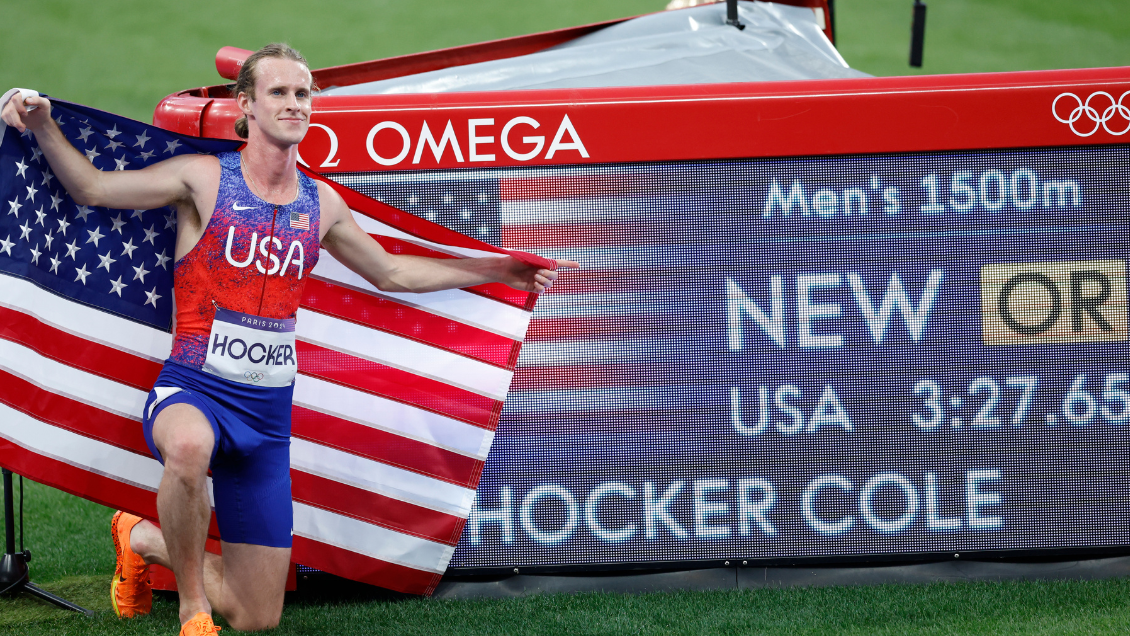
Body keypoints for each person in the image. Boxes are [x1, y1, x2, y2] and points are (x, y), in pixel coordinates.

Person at [2, 43, 577, 635]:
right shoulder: (203, 179)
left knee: (258, 618)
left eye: (302, 93)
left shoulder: (319, 202)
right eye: (278, 92)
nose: (294, 104)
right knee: (190, 450)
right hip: (194, 389)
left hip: (266, 420)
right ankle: (194, 609)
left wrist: (495, 270)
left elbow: (392, 273)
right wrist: (43, 123)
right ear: (245, 105)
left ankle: (140, 537)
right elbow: (94, 189)